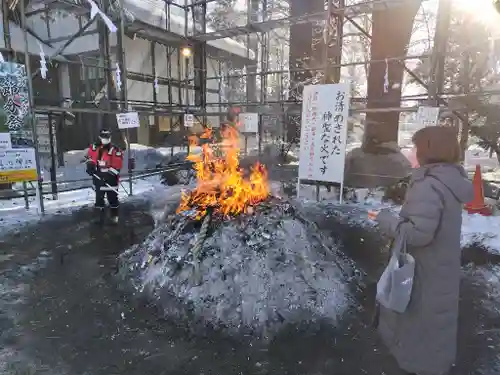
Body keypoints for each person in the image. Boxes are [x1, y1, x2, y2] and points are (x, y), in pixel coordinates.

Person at [369, 126, 474, 375]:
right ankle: (434, 364)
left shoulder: (428, 184)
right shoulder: (448, 180)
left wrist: (385, 220)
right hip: (441, 266)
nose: (410, 151)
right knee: (436, 322)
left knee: (417, 320)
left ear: (428, 150)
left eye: (414, 146)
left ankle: (416, 366)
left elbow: (418, 234)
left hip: (424, 269)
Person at [85, 129, 123, 224]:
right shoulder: (94, 147)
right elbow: (91, 158)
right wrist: (90, 166)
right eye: (103, 137)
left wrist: (107, 177)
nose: (105, 139)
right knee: (99, 199)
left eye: (107, 137)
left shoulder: (115, 150)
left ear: (110, 138)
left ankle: (114, 218)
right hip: (98, 178)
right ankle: (99, 218)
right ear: (100, 137)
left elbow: (117, 165)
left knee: (113, 199)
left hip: (111, 179)